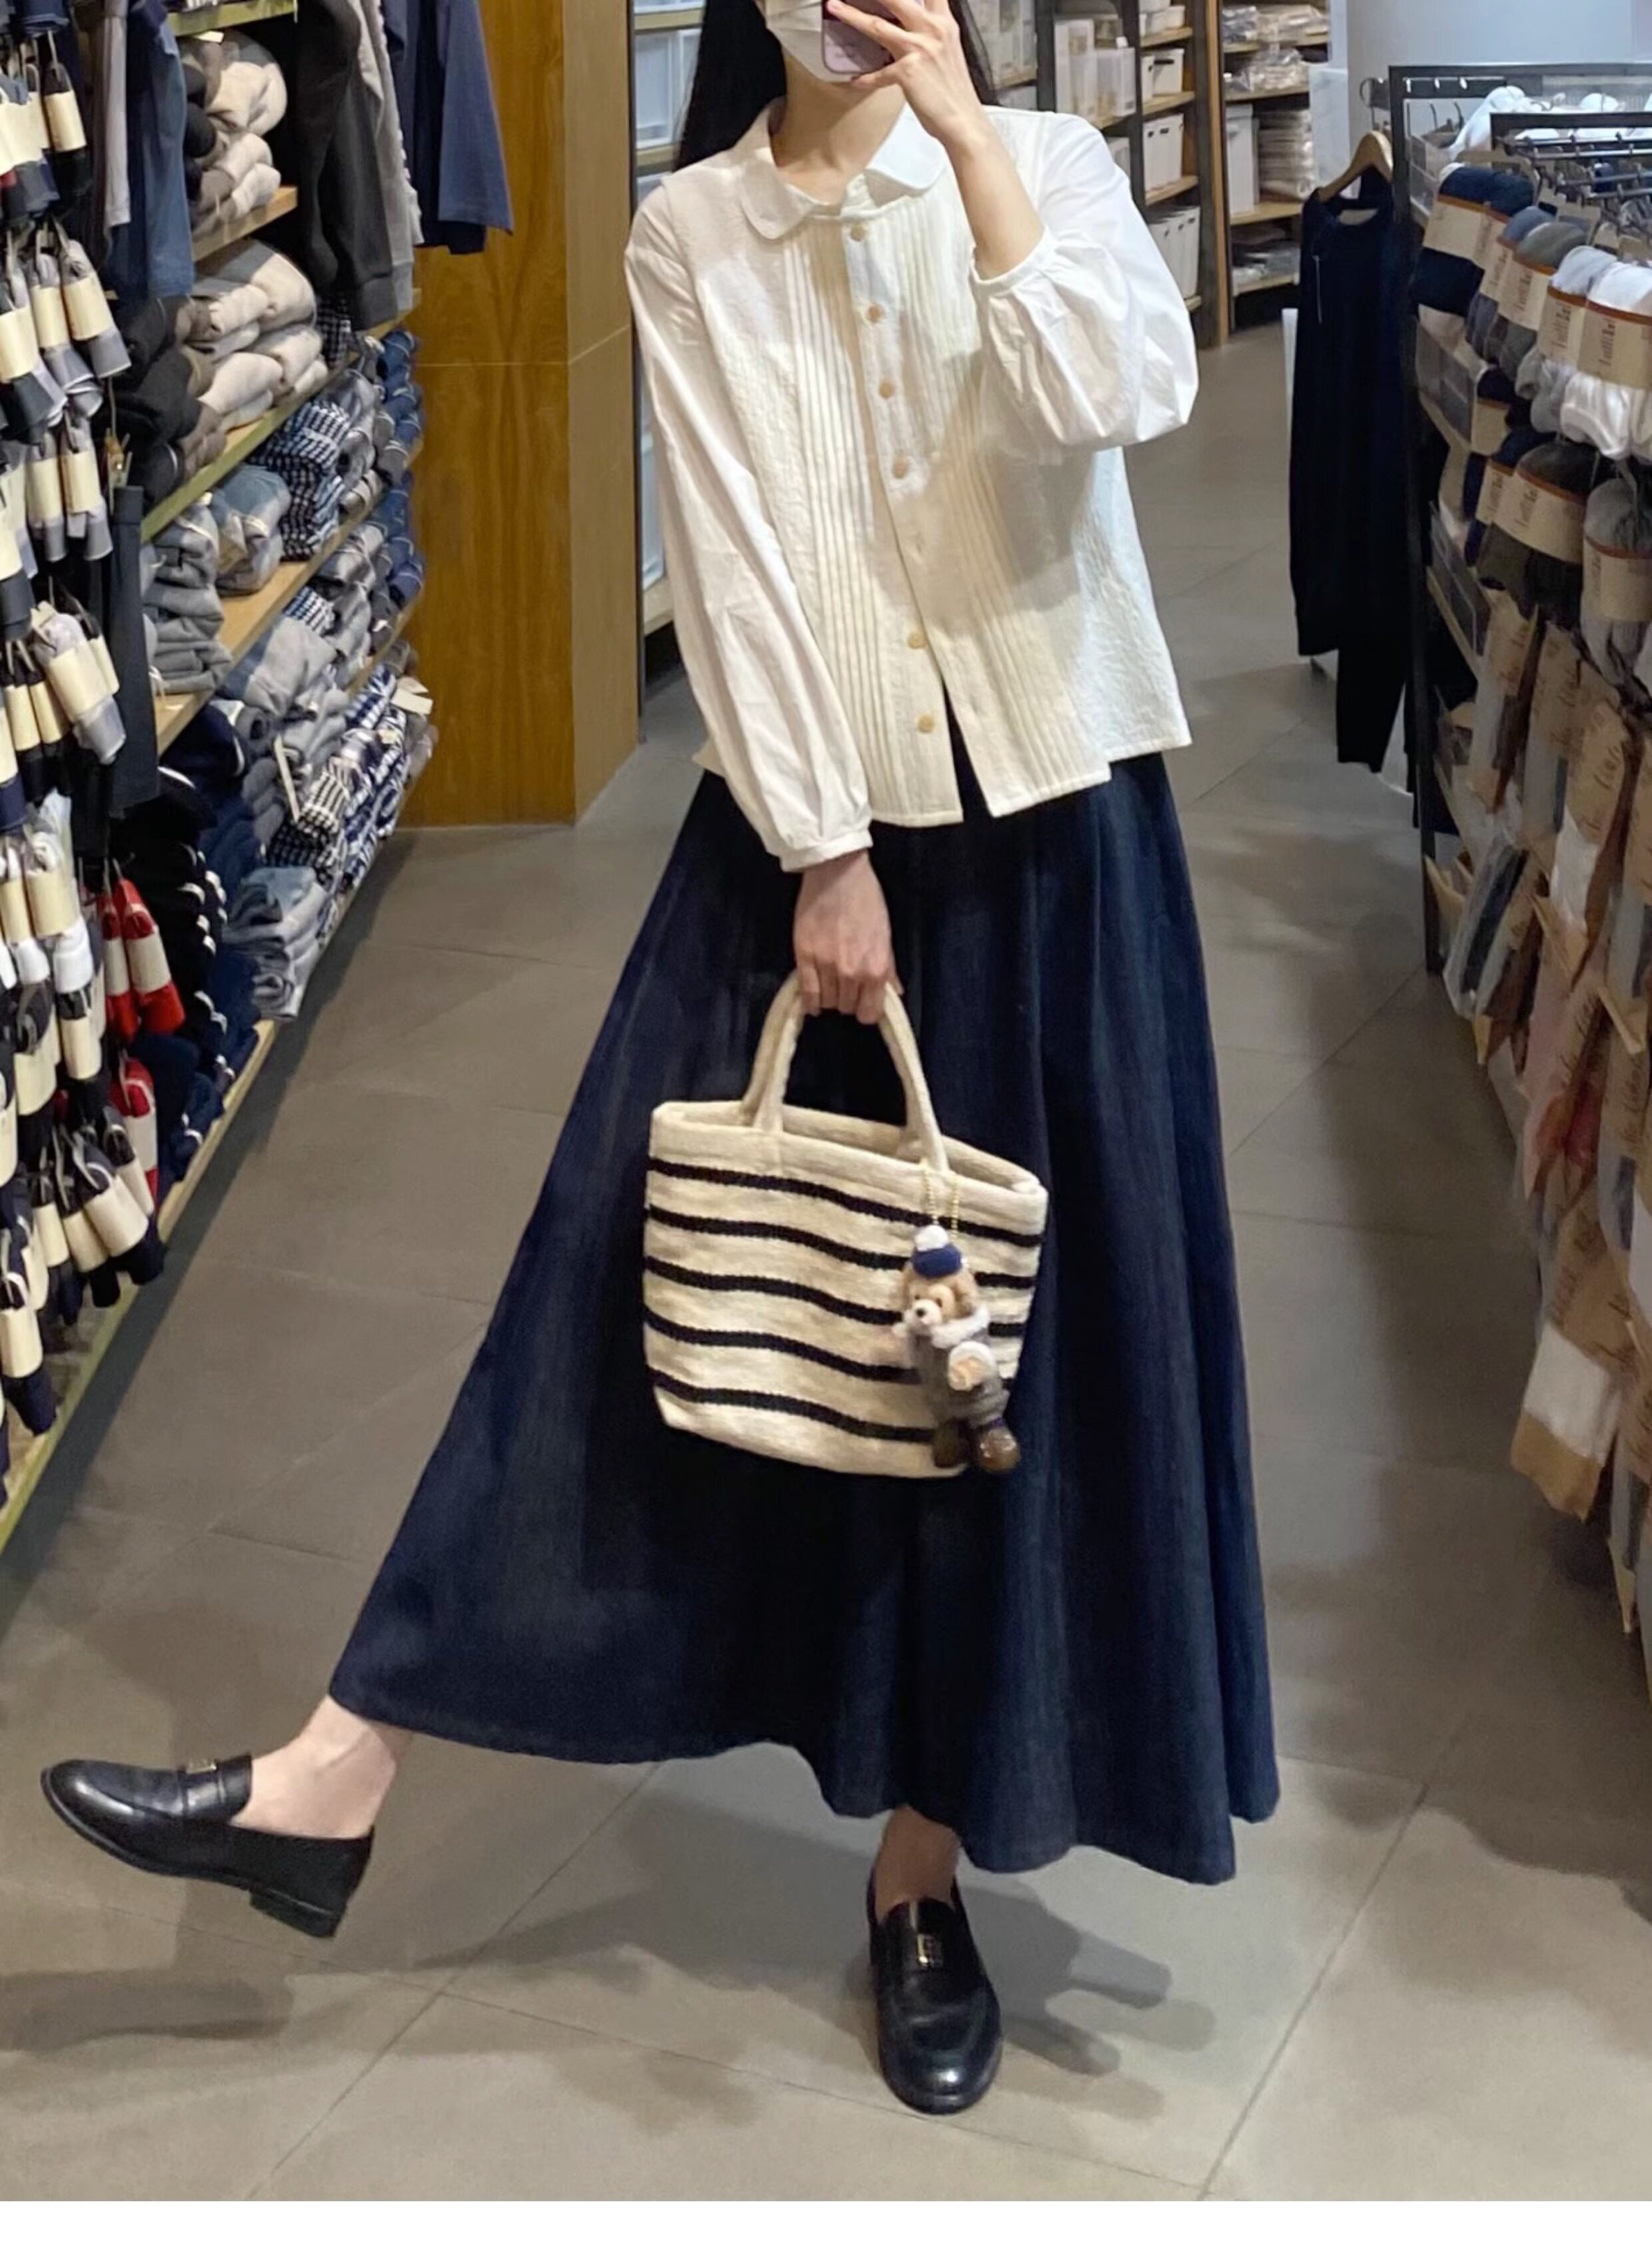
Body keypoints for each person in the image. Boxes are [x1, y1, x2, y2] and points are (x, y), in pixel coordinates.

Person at [42, 0, 1277, 2119]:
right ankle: (339, 1769)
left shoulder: (1054, 176)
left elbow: (1115, 395)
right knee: (611, 1294)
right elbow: (736, 565)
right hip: (805, 847)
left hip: (1063, 841)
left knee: (994, 1365)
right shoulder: (693, 230)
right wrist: (827, 851)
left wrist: (976, 145)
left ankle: (921, 1874)